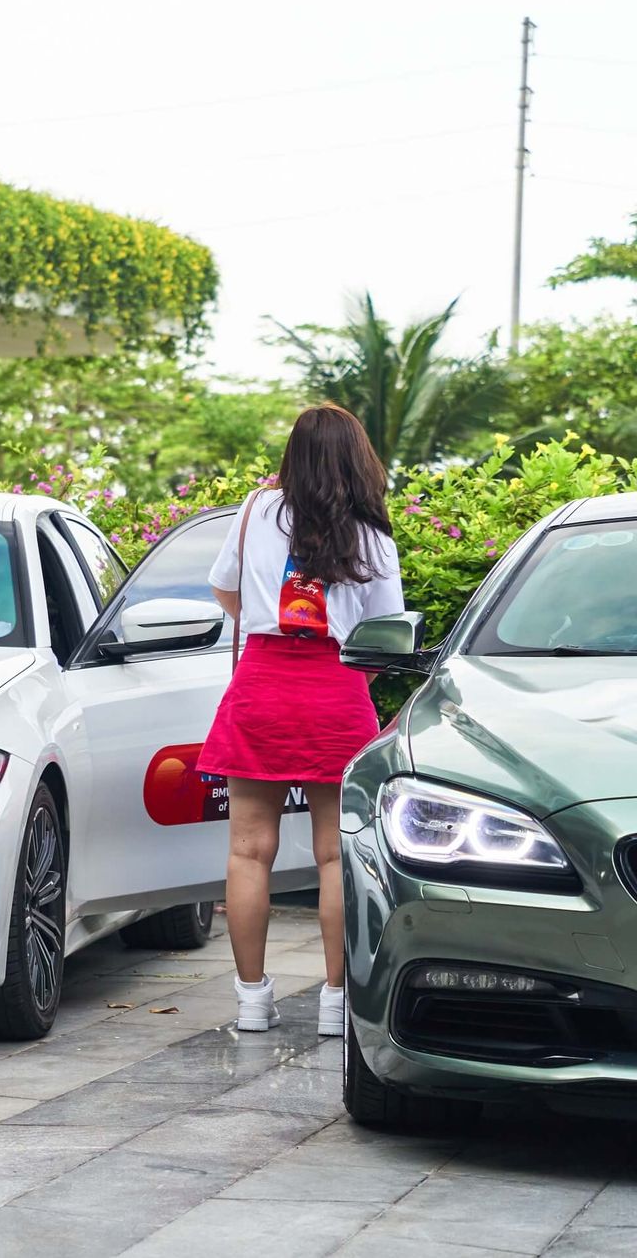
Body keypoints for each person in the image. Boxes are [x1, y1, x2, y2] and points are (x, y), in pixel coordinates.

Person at [205, 403, 402, 1037]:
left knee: (248, 850)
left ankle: (251, 1000)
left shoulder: (255, 512)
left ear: (293, 455)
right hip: (336, 686)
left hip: (261, 683)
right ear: (357, 458)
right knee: (335, 856)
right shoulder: (371, 535)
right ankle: (335, 1002)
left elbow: (225, 592)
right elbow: (384, 635)